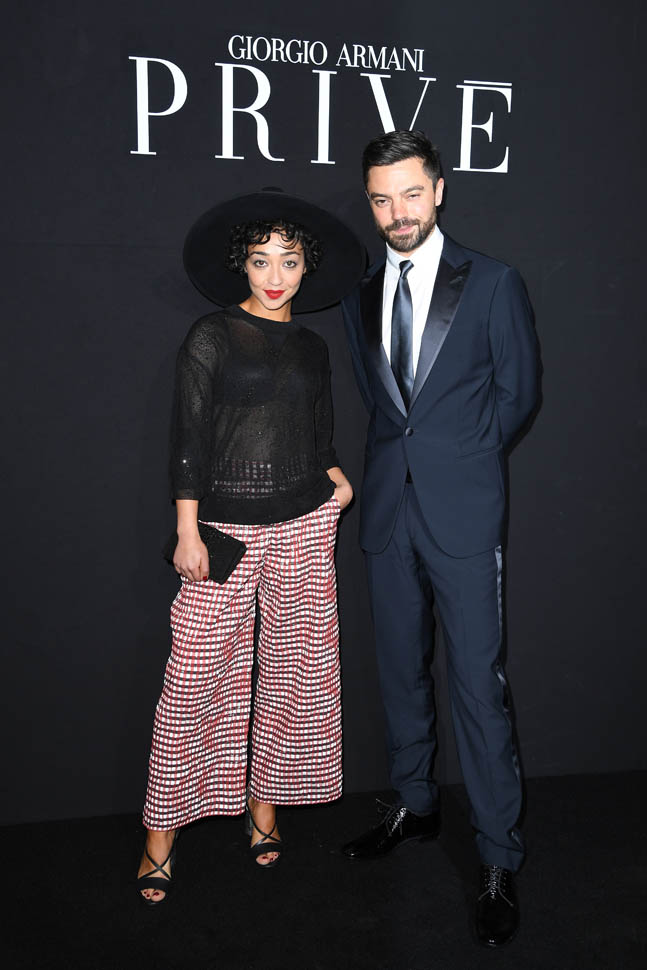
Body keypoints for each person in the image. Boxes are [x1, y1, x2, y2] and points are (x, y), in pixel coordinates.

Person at [136, 189, 364, 904]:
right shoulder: (211, 334)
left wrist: (336, 483)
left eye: (289, 261)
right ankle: (160, 832)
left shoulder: (312, 345)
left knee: (299, 672)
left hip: (303, 523)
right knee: (197, 678)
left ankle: (265, 806)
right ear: (242, 264)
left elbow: (320, 431)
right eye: (261, 260)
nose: (274, 275)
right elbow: (189, 438)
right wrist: (186, 529)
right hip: (224, 530)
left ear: (307, 268)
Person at [340, 130, 539, 947]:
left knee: (477, 690)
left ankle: (497, 855)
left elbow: (518, 394)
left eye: (411, 194)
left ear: (440, 190)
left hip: (461, 513)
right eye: (381, 198)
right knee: (399, 672)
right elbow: (382, 404)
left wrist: (460, 460)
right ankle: (416, 804)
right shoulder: (359, 292)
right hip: (387, 513)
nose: (397, 212)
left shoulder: (491, 282)